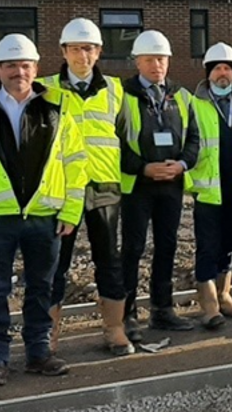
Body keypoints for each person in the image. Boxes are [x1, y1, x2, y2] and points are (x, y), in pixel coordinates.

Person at [42, 18, 133, 357]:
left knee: (109, 259)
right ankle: (47, 337)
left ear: (99, 52)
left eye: (90, 48)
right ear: (64, 51)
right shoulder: (45, 88)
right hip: (60, 190)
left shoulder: (115, 89)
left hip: (104, 187)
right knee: (55, 264)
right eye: (77, 48)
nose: (84, 54)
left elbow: (124, 136)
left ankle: (114, 329)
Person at [0, 34, 87, 385]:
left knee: (42, 287)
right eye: (10, 65)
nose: (18, 72)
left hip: (45, 216)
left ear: (36, 68)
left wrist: (70, 211)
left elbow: (76, 162)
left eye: (25, 65)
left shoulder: (59, 106)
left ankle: (39, 353)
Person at [117, 30, 200, 339]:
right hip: (137, 186)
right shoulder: (122, 95)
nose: (157, 65)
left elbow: (194, 138)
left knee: (167, 246)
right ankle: (127, 315)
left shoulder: (181, 95)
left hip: (171, 185)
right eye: (150, 59)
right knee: (133, 249)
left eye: (162, 59)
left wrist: (181, 164)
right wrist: (143, 168)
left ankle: (162, 310)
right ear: (137, 61)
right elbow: (114, 143)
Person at [189, 43, 232, 330]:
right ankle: (209, 306)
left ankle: (225, 294)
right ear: (208, 74)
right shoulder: (194, 105)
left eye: (227, 68)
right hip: (208, 190)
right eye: (217, 69)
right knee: (208, 247)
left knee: (229, 245)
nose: (222, 74)